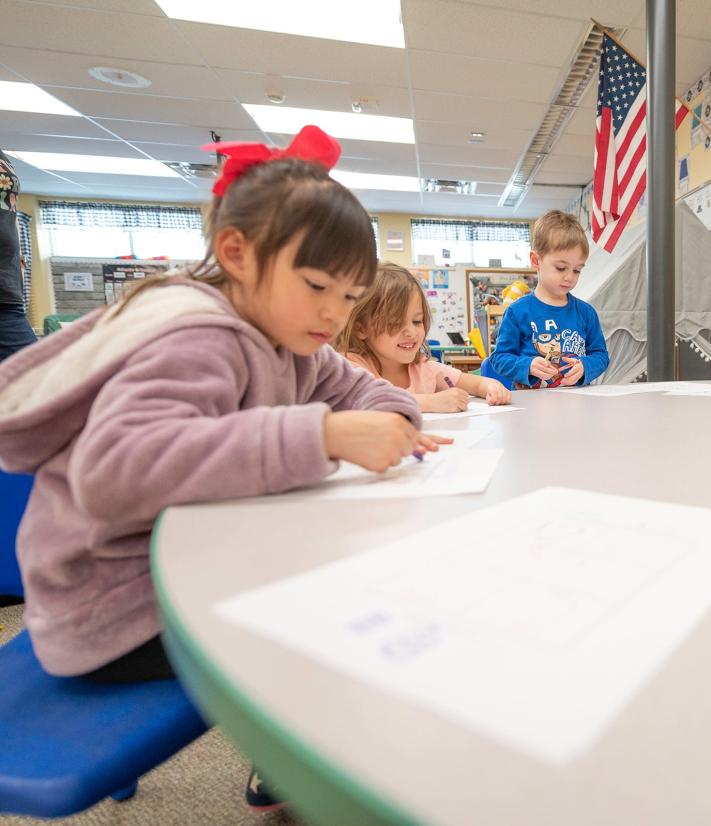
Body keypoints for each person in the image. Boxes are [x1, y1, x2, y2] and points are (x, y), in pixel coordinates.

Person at [0, 126, 445, 809]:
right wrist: (321, 434)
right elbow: (115, 469)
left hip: (173, 567)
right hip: (109, 604)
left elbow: (363, 390)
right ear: (236, 253)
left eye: (351, 298)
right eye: (318, 284)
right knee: (342, 613)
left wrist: (397, 418)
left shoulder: (293, 332)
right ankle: (302, 774)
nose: (333, 312)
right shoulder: (198, 335)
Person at [339, 261, 510, 410]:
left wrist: (492, 387)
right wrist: (429, 402)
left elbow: (477, 383)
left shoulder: (424, 368)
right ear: (361, 328)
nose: (412, 333)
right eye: (395, 323)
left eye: (417, 321)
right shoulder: (351, 366)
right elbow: (365, 401)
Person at [490, 210, 609, 389]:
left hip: (577, 404)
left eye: (577, 270)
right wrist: (527, 365)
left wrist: (586, 366)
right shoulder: (517, 312)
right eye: (561, 268)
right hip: (532, 406)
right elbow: (499, 359)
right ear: (536, 260)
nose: (570, 277)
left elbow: (600, 355)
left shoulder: (586, 313)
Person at [0, 150, 37, 361]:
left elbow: (10, 209)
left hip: (7, 293)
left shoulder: (3, 156)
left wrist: (20, 263)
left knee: (35, 375)